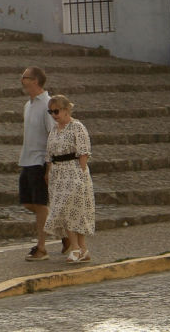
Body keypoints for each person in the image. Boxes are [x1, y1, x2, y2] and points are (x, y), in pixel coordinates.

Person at [45, 94, 96, 263]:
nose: (54, 115)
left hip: (73, 172)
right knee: (70, 211)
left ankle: (75, 248)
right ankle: (83, 249)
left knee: (71, 210)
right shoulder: (54, 129)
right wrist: (49, 172)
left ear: (66, 110)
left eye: (57, 111)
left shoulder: (77, 127)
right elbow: (50, 154)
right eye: (50, 111)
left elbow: (83, 152)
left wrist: (80, 175)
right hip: (58, 175)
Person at [17, 66, 59, 260]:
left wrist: (50, 167)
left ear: (35, 81)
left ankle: (41, 248)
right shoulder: (29, 104)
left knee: (40, 204)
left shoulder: (48, 104)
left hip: (41, 160)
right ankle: (61, 231)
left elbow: (53, 135)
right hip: (27, 159)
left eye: (25, 77)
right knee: (27, 202)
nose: (21, 79)